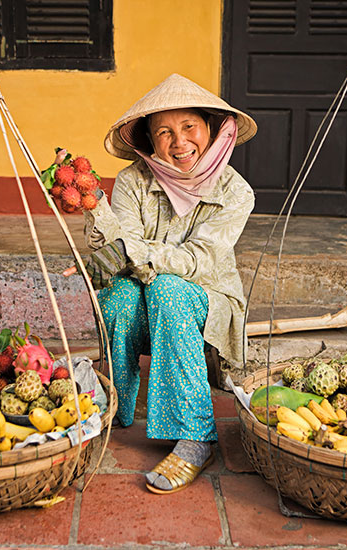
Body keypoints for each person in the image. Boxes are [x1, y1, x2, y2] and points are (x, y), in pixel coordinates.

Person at [82, 74, 257, 494]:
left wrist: (136, 253)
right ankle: (116, 408)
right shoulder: (132, 181)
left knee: (169, 290)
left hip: (208, 298)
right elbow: (120, 245)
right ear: (148, 140)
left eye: (189, 128)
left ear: (212, 130)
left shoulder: (236, 191)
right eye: (164, 132)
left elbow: (198, 260)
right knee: (119, 297)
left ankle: (196, 435)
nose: (179, 143)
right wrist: (96, 215)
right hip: (143, 291)